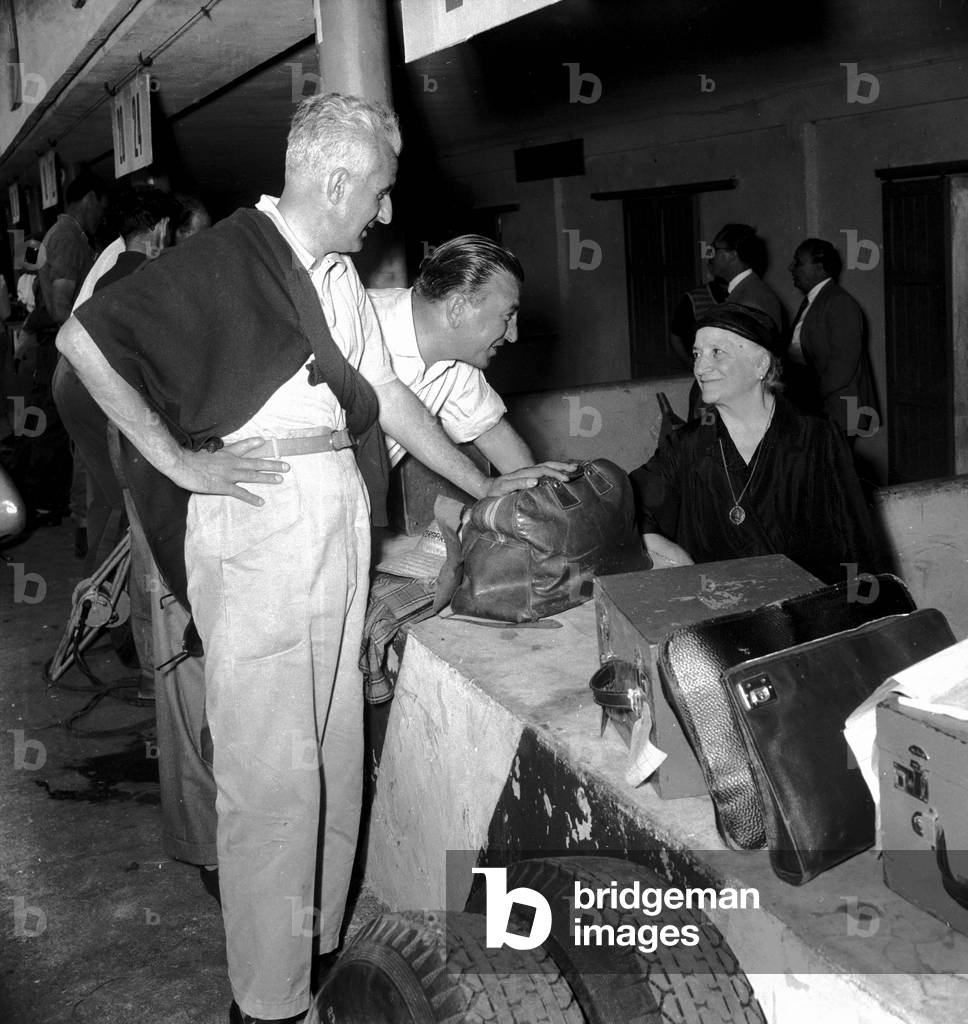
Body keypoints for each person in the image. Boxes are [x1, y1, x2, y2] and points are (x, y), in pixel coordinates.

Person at [56, 92, 569, 1024]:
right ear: (335, 180)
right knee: (270, 777)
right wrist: (177, 462)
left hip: (335, 513)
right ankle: (265, 1002)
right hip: (262, 522)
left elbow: (387, 397)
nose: (385, 210)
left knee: (330, 755)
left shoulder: (337, 278)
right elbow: (81, 340)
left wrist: (486, 486)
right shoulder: (232, 254)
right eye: (378, 191)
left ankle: (313, 953)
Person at [629, 302, 878, 585]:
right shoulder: (685, 445)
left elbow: (854, 545)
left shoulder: (817, 439)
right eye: (697, 354)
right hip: (715, 604)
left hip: (800, 605)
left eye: (717, 352)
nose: (700, 367)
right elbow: (626, 506)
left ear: (761, 364)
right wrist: (671, 554)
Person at [54, 185, 179, 693]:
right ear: (161, 230)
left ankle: (108, 622)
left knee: (117, 508)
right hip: (102, 400)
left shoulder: (111, 270)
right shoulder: (146, 275)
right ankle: (107, 621)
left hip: (88, 395)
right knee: (134, 520)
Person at [368, 234, 533, 471]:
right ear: (457, 308)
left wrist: (544, 490)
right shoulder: (356, 322)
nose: (513, 335)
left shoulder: (456, 356)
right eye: (507, 316)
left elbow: (494, 436)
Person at [20, 171, 108, 522]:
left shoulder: (59, 233)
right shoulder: (69, 237)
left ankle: (42, 497)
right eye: (101, 206)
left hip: (53, 344)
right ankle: (45, 501)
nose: (101, 215)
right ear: (90, 199)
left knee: (46, 417)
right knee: (54, 422)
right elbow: (60, 307)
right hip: (62, 347)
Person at [786, 238, 879, 440]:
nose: (791, 268)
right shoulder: (814, 300)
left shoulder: (839, 302)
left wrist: (809, 397)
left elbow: (842, 366)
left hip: (837, 410)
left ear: (819, 268)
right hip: (820, 408)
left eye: (798, 263)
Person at [707, 224, 784, 330]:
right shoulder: (749, 290)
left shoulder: (749, 301)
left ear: (733, 254)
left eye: (715, 249)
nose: (710, 256)